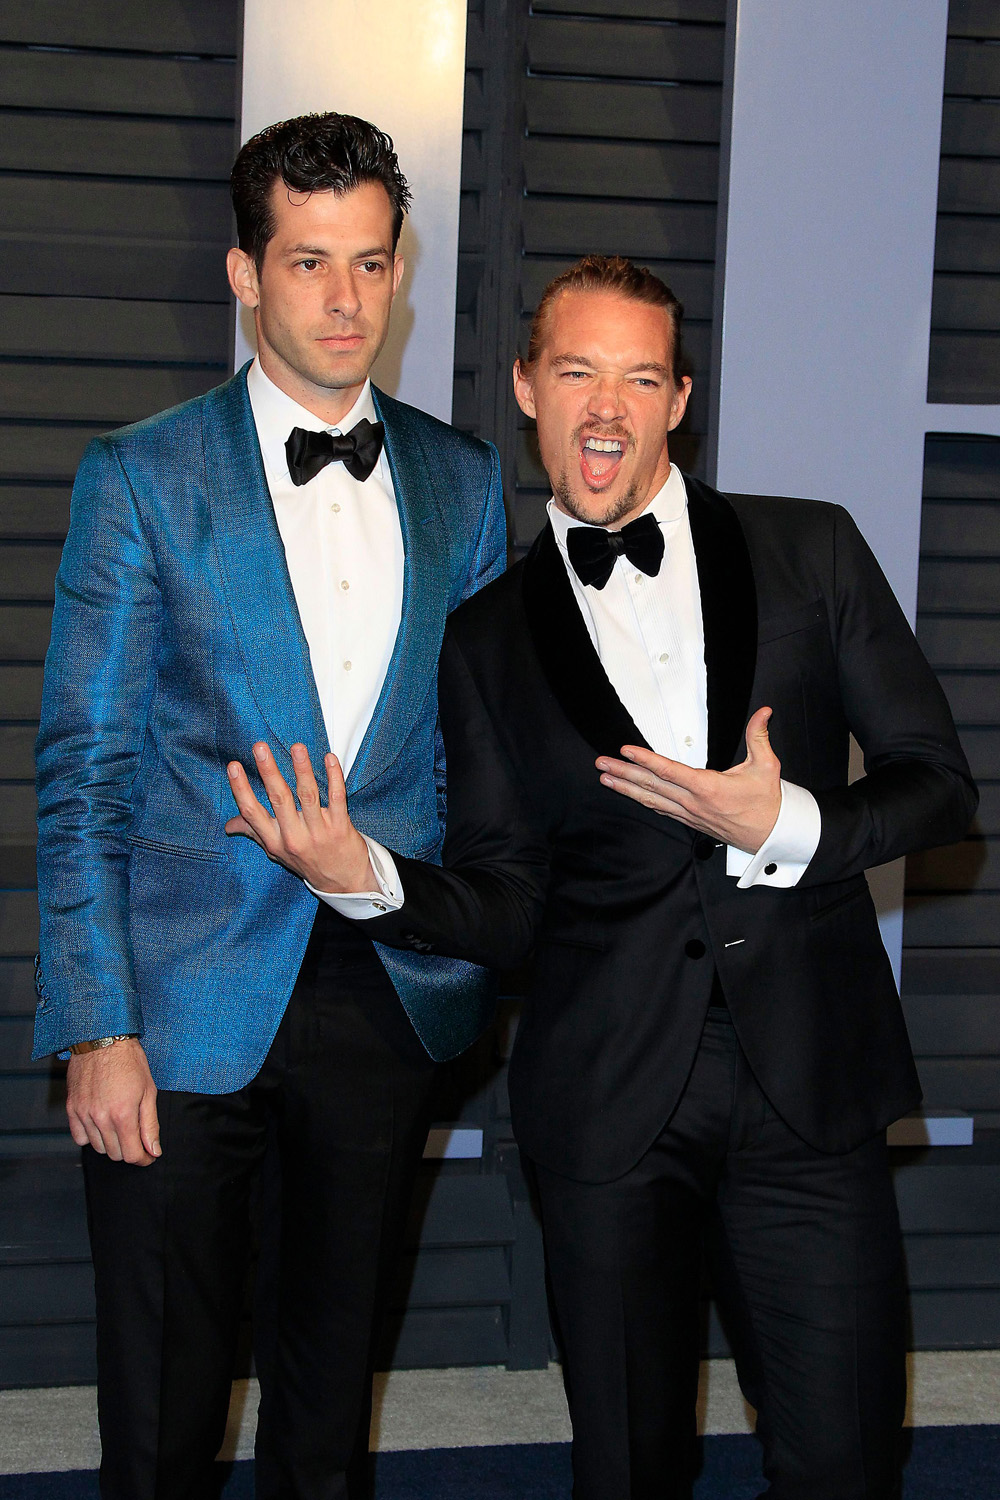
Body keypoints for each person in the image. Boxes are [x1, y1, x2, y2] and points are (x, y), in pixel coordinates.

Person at [226, 255, 978, 1500]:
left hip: (806, 1081)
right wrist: (362, 872)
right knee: (625, 1468)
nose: (606, 408)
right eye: (576, 372)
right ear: (527, 387)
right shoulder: (484, 639)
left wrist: (782, 818)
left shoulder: (810, 548)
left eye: (638, 377)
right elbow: (510, 900)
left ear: (680, 399)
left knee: (843, 1456)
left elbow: (937, 787)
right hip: (606, 1105)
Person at [31, 112, 506, 1500]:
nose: (346, 300)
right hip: (178, 1005)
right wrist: (98, 1023)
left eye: (369, 263)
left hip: (386, 990)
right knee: (166, 1422)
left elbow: (471, 760)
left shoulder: (464, 481)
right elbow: (85, 772)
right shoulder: (141, 476)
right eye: (309, 264)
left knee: (325, 1410)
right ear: (245, 274)